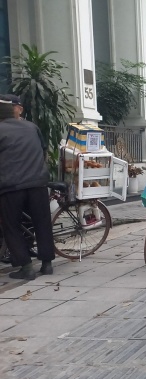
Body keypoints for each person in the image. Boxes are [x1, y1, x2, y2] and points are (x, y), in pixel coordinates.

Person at [0, 100, 55, 279]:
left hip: (11, 187)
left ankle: (26, 266)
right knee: (42, 223)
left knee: (11, 226)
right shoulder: (32, 127)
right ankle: (47, 264)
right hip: (38, 183)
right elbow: (44, 151)